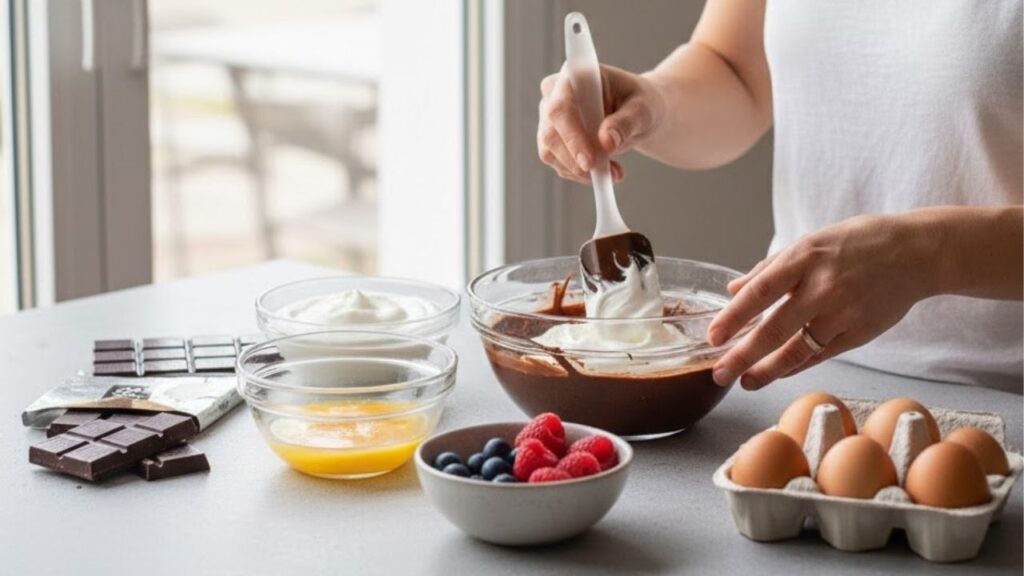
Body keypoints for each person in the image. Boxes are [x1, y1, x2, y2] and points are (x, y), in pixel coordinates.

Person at [536, 1, 1023, 392]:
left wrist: (927, 254)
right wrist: (654, 104)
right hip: (794, 380)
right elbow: (735, 68)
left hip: (999, 392)